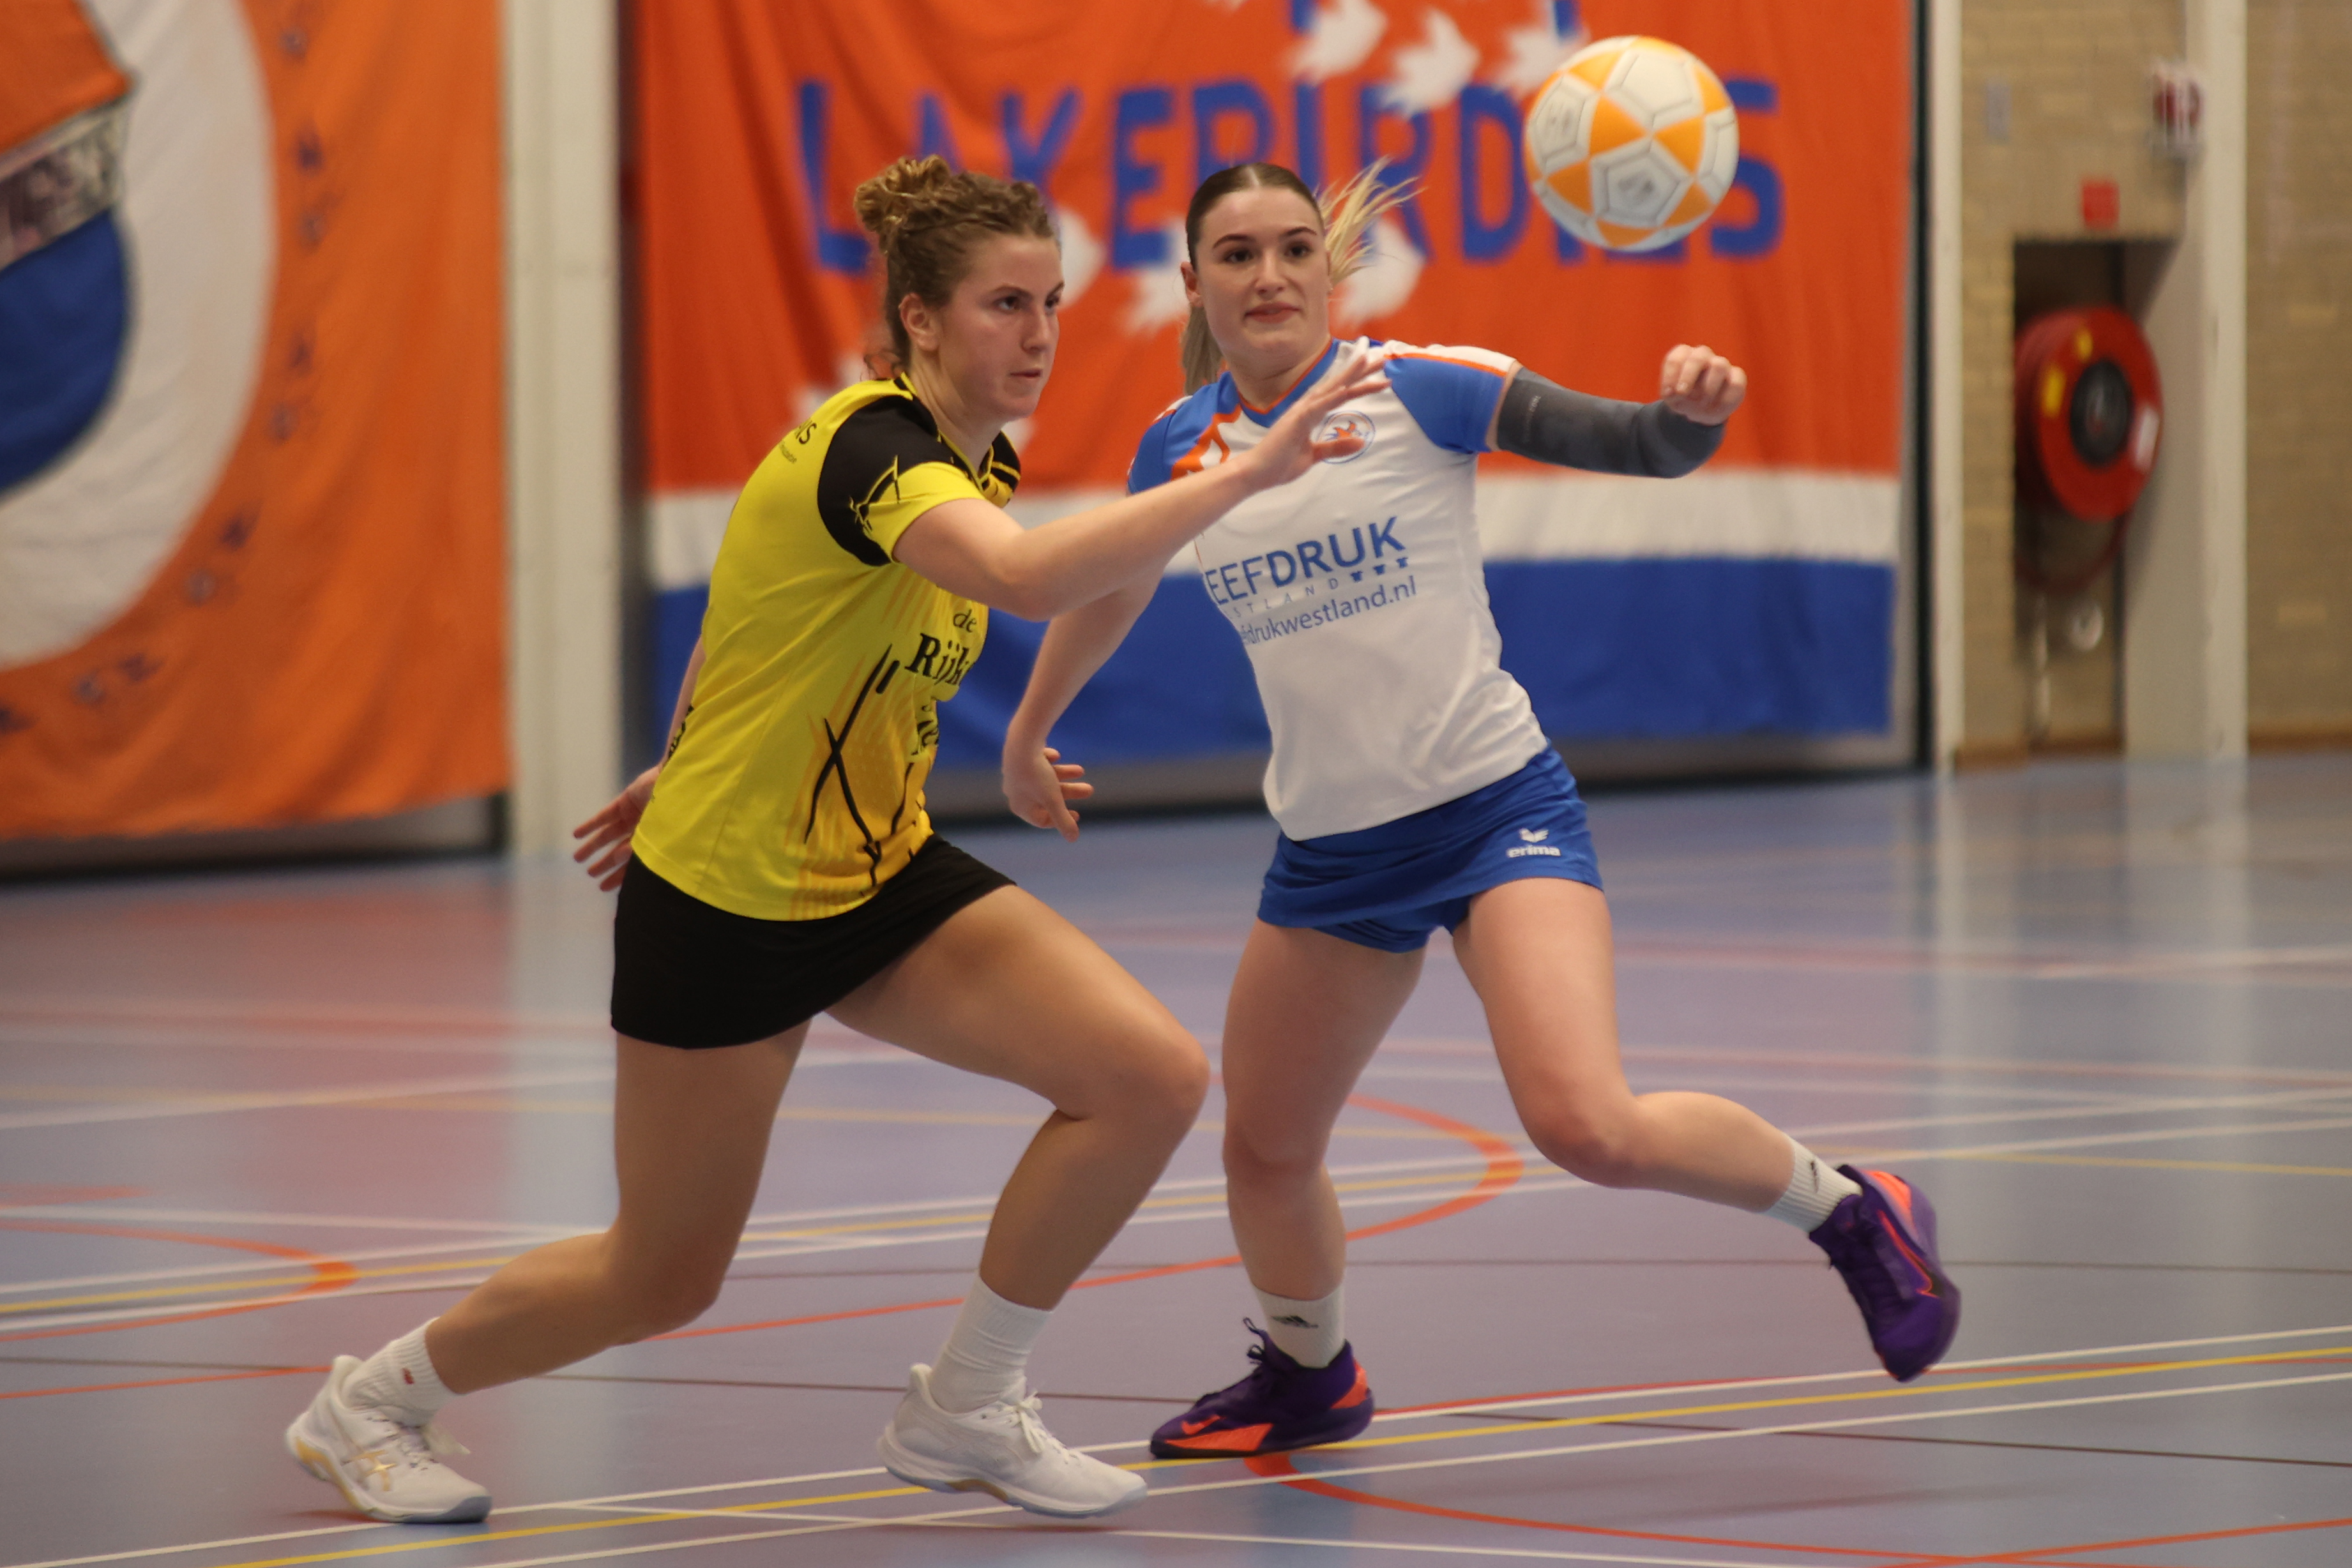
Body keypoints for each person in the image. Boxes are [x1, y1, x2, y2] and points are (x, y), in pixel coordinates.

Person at [282, 156, 1387, 1523]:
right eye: (1002, 306)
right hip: (729, 905)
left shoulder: (974, 451)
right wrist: (1253, 470)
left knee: (1146, 1077)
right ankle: (372, 1403)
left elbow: (756, 603)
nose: (1036, 337)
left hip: (877, 871)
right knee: (662, 1275)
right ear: (920, 318)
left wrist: (682, 751)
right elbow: (1033, 579)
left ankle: (967, 1403)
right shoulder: (876, 447)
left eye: (1049, 304)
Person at [1000, 162, 1961, 1462]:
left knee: (1586, 1122)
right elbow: (1114, 576)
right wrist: (1028, 726)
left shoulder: (1422, 385)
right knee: (1266, 1149)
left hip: (1493, 807)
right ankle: (1311, 1376)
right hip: (1336, 852)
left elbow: (1634, 443)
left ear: (1333, 274)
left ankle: (1853, 1207)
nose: (1270, 274)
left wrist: (1688, 415)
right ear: (1193, 283)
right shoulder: (1183, 447)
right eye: (1237, 255)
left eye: (1295, 249)